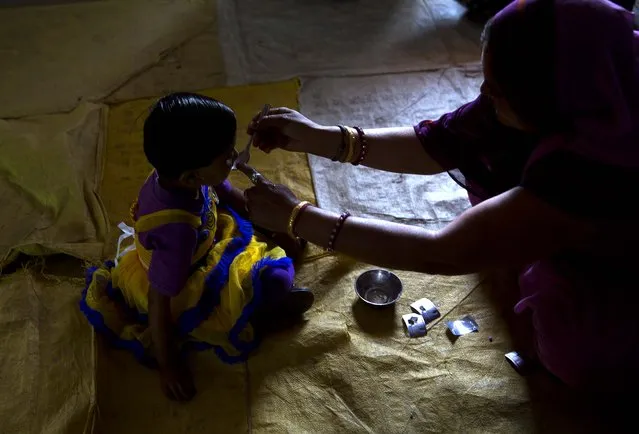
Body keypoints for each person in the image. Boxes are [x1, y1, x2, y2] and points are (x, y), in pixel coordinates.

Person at [242, 0, 639, 392]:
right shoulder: (582, 82)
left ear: (548, 94)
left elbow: (445, 251)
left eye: (498, 87)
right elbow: (439, 142)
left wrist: (297, 217)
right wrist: (320, 136)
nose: (484, 92)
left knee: (575, 353)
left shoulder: (598, 168)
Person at [80, 93, 314, 401]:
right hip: (184, 283)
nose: (234, 157)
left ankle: (257, 299)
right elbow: (159, 300)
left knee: (245, 225)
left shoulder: (181, 174)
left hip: (204, 243)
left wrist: (281, 222)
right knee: (276, 278)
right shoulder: (177, 234)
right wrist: (169, 364)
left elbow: (230, 197)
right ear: (192, 177)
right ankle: (259, 316)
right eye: (226, 157)